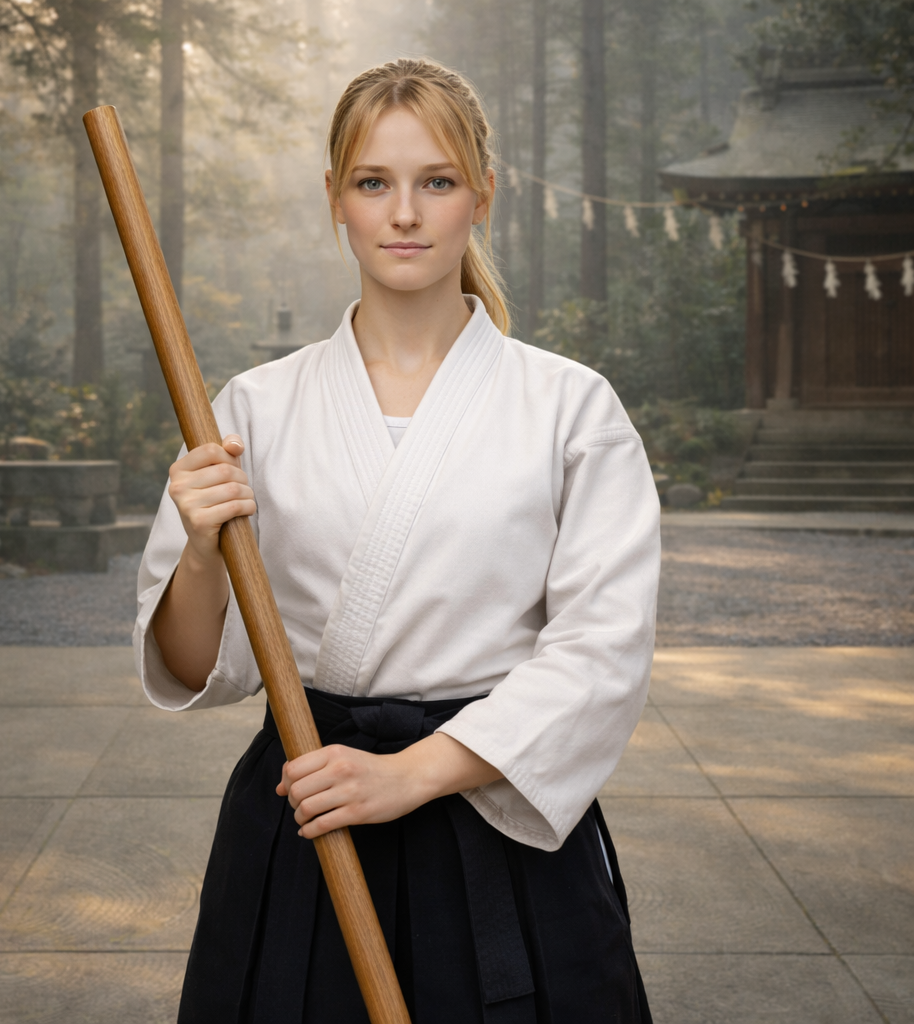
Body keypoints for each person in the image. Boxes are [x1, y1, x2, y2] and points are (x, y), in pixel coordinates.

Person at [135, 57, 660, 1024]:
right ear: (336, 198)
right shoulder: (257, 406)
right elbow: (191, 664)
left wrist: (411, 774)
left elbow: (602, 651)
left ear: (482, 196)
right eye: (374, 182)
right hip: (309, 814)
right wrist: (203, 553)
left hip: (493, 818)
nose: (405, 213)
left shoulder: (570, 407)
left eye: (437, 181)